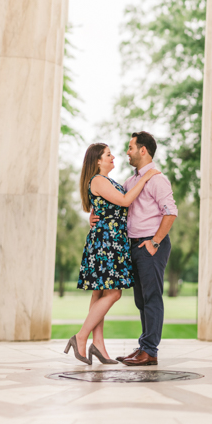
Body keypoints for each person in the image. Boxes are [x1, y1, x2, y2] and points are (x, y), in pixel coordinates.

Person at [63, 141, 161, 366]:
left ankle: (98, 344)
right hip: (106, 243)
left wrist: (95, 216)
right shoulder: (98, 180)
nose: (113, 157)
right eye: (108, 155)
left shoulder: (107, 181)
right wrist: (146, 177)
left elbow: (108, 206)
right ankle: (80, 337)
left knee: (99, 294)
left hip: (112, 241)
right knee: (114, 294)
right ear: (97, 160)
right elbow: (126, 200)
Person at [91, 132, 178, 367]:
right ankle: (144, 347)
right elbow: (116, 201)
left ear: (143, 150)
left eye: (130, 147)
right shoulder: (132, 181)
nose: (126, 152)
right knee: (141, 300)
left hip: (151, 244)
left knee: (151, 298)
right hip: (134, 245)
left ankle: (150, 350)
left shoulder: (157, 179)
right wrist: (94, 214)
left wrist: (155, 241)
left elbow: (171, 212)